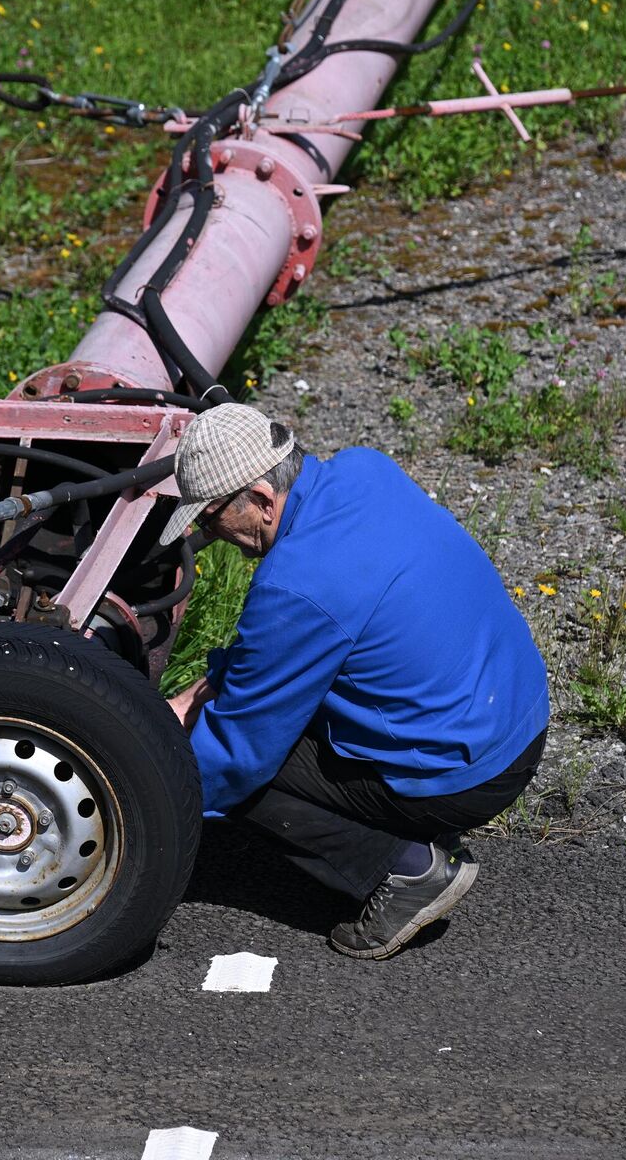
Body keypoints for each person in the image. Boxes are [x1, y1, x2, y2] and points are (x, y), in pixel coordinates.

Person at [160, 402, 549, 960]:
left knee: (221, 765)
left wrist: (150, 781)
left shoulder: (296, 585)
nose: (208, 534)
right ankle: (412, 823)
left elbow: (238, 755)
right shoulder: (364, 471)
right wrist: (201, 690)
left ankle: (407, 869)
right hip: (514, 710)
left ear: (263, 502)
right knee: (236, 721)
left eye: (209, 519)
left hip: (469, 770)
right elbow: (274, 659)